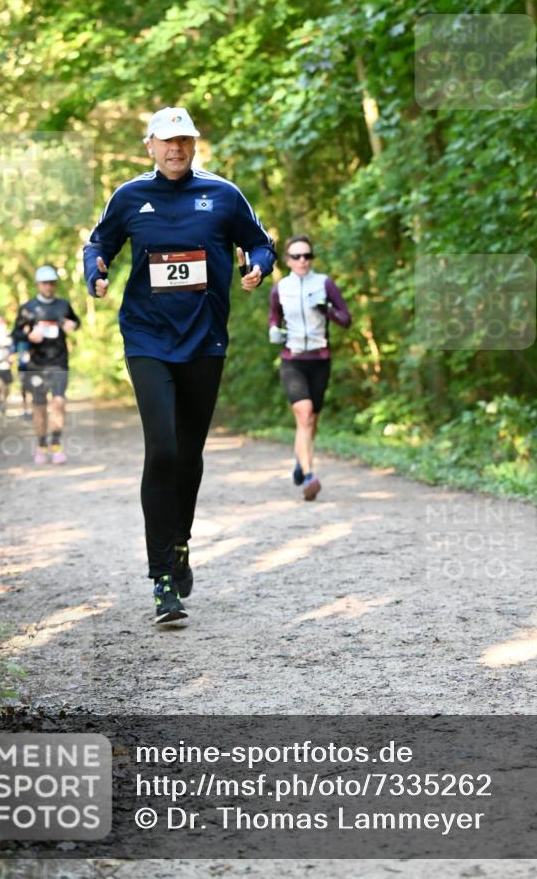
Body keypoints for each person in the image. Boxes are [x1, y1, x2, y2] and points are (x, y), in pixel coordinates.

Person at [83, 106, 276, 625]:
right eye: (167, 141)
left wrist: (257, 267)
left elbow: (260, 241)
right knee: (163, 448)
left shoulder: (223, 195)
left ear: (195, 145)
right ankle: (162, 577)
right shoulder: (129, 197)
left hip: (205, 341)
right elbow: (99, 242)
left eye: (185, 141)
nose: (176, 149)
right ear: (149, 145)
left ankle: (181, 539)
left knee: (189, 455)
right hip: (146, 337)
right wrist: (93, 273)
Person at [269, 234, 351, 501]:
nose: (302, 260)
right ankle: (309, 476)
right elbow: (274, 318)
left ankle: (300, 460)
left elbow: (346, 319)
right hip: (292, 360)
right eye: (296, 256)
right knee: (303, 414)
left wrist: (326, 308)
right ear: (288, 261)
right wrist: (273, 331)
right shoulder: (280, 288)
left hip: (320, 360)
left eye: (307, 256)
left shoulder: (324, 283)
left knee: (311, 420)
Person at [12, 265, 80, 465]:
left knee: (59, 402)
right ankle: (41, 445)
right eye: (44, 283)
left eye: (51, 283)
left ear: (55, 284)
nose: (48, 286)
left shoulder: (63, 305)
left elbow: (76, 322)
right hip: (36, 364)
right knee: (39, 407)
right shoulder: (28, 308)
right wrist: (28, 335)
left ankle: (56, 444)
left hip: (59, 361)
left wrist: (72, 325)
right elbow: (14, 334)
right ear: (38, 284)